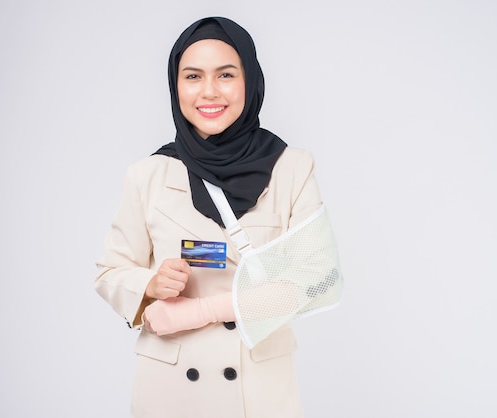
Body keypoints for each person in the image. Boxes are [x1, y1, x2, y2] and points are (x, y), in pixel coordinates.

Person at [95, 16, 342, 418]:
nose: (209, 91)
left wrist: (199, 311)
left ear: (250, 79)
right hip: (170, 391)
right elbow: (110, 272)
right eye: (193, 76)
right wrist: (151, 285)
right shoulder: (147, 175)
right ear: (176, 86)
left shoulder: (292, 168)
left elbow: (316, 279)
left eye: (225, 74)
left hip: (258, 389)